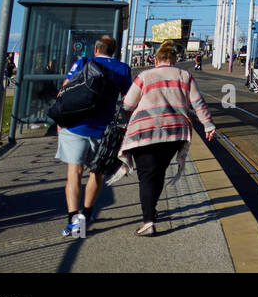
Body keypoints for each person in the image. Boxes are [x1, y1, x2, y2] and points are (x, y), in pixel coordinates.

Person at [117, 42, 216, 237]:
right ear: (174, 60)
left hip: (144, 133)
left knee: (146, 176)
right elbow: (198, 103)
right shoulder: (184, 76)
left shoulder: (144, 76)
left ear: (155, 60)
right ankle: (151, 210)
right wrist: (208, 125)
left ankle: (148, 222)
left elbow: (127, 104)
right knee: (159, 172)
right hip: (174, 134)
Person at [55, 35, 132, 239]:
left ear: (96, 49)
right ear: (114, 51)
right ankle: (86, 215)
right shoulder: (123, 69)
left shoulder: (83, 62)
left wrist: (59, 121)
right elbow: (128, 101)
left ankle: (72, 219)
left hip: (75, 126)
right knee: (96, 173)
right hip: (103, 130)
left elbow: (63, 91)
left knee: (74, 172)